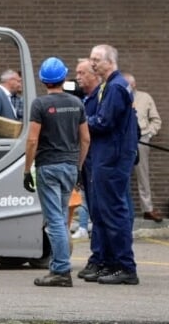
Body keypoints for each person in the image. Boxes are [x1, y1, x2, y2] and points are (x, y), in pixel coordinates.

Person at [23, 57, 89, 287]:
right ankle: (56, 266)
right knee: (60, 217)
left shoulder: (40, 105)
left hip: (48, 167)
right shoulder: (77, 103)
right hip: (70, 167)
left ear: (43, 80)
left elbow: (32, 140)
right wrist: (78, 167)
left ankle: (61, 270)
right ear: (64, 77)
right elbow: (86, 139)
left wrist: (25, 170)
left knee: (55, 221)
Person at [78, 44, 140, 285]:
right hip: (111, 156)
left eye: (96, 60)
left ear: (110, 61)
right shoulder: (111, 86)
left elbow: (104, 122)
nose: (93, 64)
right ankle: (110, 262)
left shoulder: (115, 88)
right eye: (91, 59)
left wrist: (81, 122)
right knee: (105, 212)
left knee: (114, 212)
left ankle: (125, 266)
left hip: (112, 157)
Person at [124, 72, 163, 222]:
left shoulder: (145, 98)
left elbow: (156, 120)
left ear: (134, 84)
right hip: (124, 141)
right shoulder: (119, 97)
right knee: (123, 174)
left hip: (141, 140)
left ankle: (147, 208)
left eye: (129, 84)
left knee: (143, 174)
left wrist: (149, 134)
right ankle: (124, 208)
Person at [71, 57, 100, 239]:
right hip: (87, 161)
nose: (77, 77)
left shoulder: (100, 97)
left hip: (97, 159)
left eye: (82, 73)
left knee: (100, 208)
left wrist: (79, 122)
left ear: (94, 74)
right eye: (77, 73)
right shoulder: (84, 98)